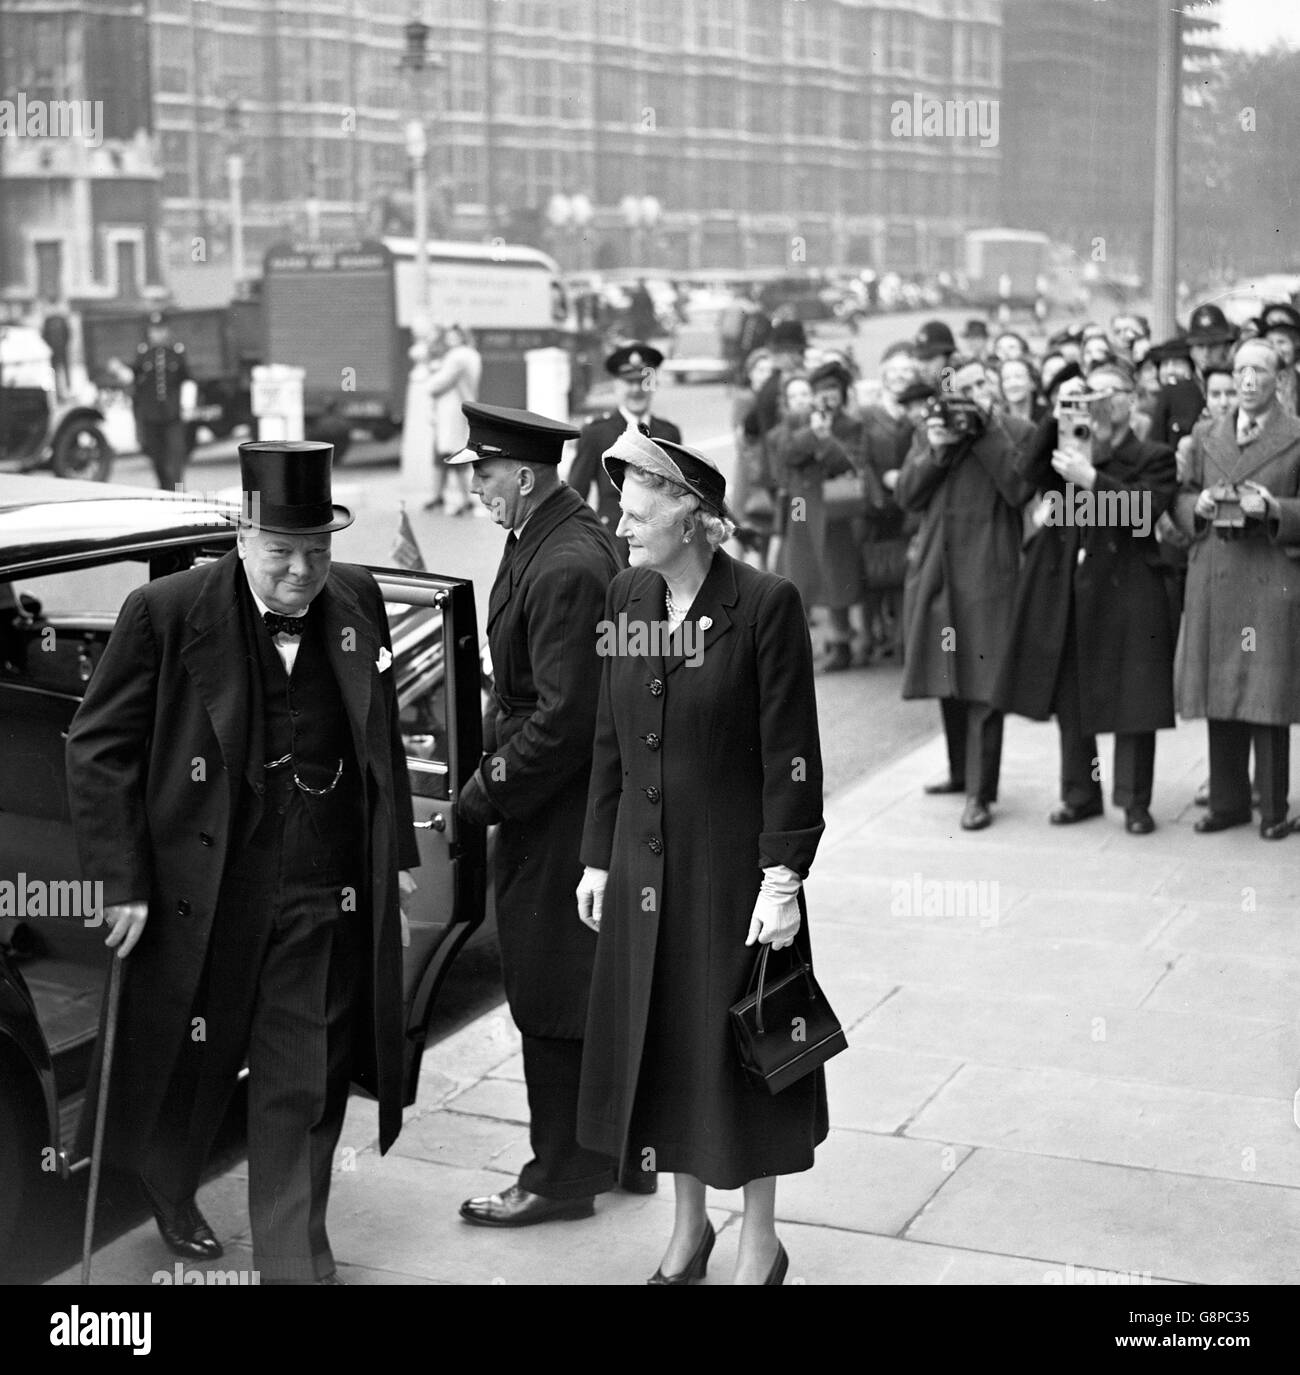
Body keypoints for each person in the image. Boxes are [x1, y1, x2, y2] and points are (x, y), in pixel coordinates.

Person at [65, 441, 418, 1283]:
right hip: (204, 895)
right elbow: (97, 746)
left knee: (302, 1085)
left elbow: (382, 740)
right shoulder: (166, 611)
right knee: (195, 1064)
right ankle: (170, 1184)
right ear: (241, 541)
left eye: (318, 551)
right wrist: (123, 882)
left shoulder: (357, 595)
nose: (304, 571)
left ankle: (296, 1265)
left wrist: (393, 857)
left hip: (318, 893)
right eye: (282, 553)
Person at [575, 428, 826, 1285]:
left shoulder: (763, 604)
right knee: (668, 1051)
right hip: (646, 875)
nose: (623, 523)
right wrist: (597, 859)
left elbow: (792, 750)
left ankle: (760, 1237)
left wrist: (784, 876)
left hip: (733, 879)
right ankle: (689, 1231)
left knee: (741, 1060)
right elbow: (612, 737)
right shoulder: (625, 599)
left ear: (691, 514)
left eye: (637, 510)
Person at [451, 401, 629, 1226]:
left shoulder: (563, 562)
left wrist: (481, 794)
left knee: (555, 993)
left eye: (482, 476)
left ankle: (559, 1177)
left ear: (522, 476)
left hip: (558, 816)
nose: (476, 490)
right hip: (564, 807)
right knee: (578, 988)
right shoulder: (553, 537)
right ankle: (616, 1155)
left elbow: (562, 719)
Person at [993, 361, 1179, 835]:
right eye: (1091, 393)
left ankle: (1135, 801)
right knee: (1072, 696)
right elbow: (1026, 473)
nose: (1100, 401)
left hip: (1130, 586)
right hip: (1074, 587)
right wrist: (1059, 414)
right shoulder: (1071, 444)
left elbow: (1143, 512)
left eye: (1110, 392)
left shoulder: (1153, 455)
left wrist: (1091, 480)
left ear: (1131, 400)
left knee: (1134, 698)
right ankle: (1081, 793)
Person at [1172, 339, 1300, 840]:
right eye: (1241, 371)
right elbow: (1178, 499)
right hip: (1217, 574)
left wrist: (1275, 510)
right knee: (1221, 690)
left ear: (1280, 380)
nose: (1248, 381)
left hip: (1269, 577)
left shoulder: (1296, 436)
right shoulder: (1206, 434)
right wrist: (1195, 507)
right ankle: (1226, 803)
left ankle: (1273, 806)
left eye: (1260, 371)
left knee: (1267, 697)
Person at [897, 388, 1032, 830]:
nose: (964, 404)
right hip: (938, 567)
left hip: (988, 571)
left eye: (976, 392)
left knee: (983, 685)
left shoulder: (1014, 432)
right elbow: (907, 496)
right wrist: (937, 449)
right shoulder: (931, 431)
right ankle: (959, 772)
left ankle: (981, 793)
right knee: (945, 675)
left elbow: (1018, 488)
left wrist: (987, 431)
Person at [568, 342, 681, 563]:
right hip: (613, 545)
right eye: (628, 382)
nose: (636, 390)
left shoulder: (669, 433)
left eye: (643, 382)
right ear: (616, 386)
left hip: (660, 547)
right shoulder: (596, 432)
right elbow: (575, 494)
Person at [768, 372, 854, 639]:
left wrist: (825, 437)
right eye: (793, 396)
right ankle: (804, 642)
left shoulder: (840, 423)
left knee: (835, 574)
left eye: (805, 394)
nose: (800, 401)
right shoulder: (779, 433)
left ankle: (841, 638)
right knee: (800, 574)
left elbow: (845, 464)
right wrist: (814, 433)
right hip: (799, 508)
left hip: (832, 506)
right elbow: (786, 457)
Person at [425, 323, 482, 514]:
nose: (449, 339)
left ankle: (464, 500)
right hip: (461, 409)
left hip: (451, 412)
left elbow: (438, 384)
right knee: (449, 455)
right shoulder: (473, 355)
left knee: (454, 456)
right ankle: (443, 497)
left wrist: (430, 383)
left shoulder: (457, 356)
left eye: (452, 336)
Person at [132, 310, 190, 489]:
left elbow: (187, 380)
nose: (158, 334)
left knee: (176, 457)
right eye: (154, 330)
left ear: (167, 331)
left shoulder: (176, 353)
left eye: (161, 329)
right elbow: (136, 384)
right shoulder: (143, 354)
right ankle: (165, 491)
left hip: (173, 415)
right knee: (157, 458)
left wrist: (187, 405)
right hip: (151, 416)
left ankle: (179, 493)